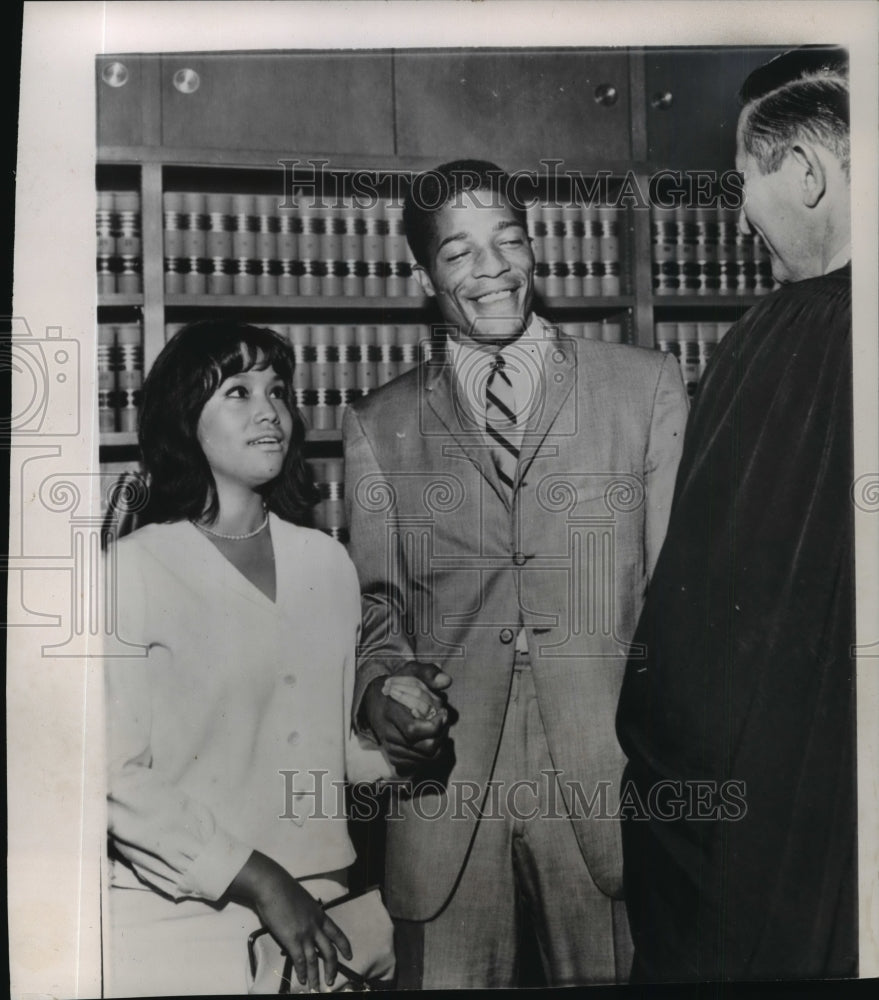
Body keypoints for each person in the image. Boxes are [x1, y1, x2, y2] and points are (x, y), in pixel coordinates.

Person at [342, 159, 689, 988]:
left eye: (507, 240)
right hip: (445, 785)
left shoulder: (643, 387)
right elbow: (375, 612)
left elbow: (680, 601)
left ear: (534, 249)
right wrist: (380, 692)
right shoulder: (378, 422)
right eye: (458, 251)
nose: (491, 268)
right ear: (424, 275)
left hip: (605, 772)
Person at [616, 47, 855, 982]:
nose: (740, 214)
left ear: (803, 172)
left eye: (740, 181)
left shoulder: (776, 339)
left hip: (773, 838)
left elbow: (700, 632)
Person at [104, 320, 390, 996]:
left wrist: (404, 741)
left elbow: (327, 754)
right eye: (238, 391)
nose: (269, 411)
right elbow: (113, 777)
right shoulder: (130, 570)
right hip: (177, 924)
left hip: (323, 914)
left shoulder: (326, 563)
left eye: (278, 391)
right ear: (185, 419)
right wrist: (259, 878)